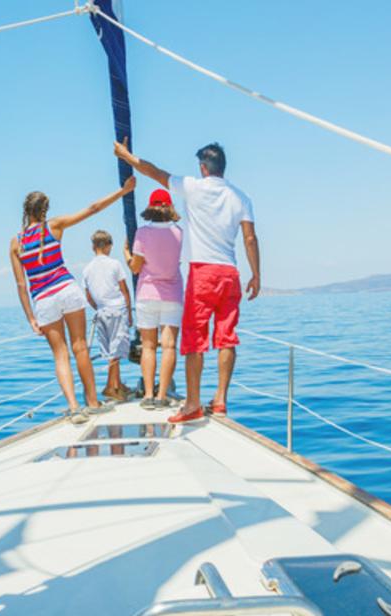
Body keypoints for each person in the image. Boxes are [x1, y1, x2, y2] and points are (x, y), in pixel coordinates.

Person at [114, 139, 260, 424]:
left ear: (203, 167)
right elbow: (250, 238)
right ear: (222, 167)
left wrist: (127, 157)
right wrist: (256, 274)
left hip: (202, 272)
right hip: (230, 272)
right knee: (227, 337)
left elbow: (154, 172)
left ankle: (192, 404)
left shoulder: (193, 186)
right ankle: (220, 400)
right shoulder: (241, 198)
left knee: (195, 339)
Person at [9, 177, 136, 424]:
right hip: (67, 290)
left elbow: (21, 285)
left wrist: (31, 318)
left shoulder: (16, 243)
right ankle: (93, 403)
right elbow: (93, 208)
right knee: (80, 347)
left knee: (61, 355)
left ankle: (74, 408)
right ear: (45, 210)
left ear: (26, 211)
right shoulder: (54, 226)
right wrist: (123, 191)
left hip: (43, 300)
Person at [123, 188, 184, 410]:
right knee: (169, 346)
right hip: (173, 295)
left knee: (148, 346)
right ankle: (161, 396)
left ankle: (148, 396)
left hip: (147, 294)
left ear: (150, 207)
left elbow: (136, 267)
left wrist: (127, 253)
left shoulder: (142, 233)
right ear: (170, 207)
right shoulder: (178, 232)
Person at [82, 229, 133, 404]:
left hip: (101, 312)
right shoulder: (115, 264)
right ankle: (110, 387)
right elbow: (125, 290)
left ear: (93, 247)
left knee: (111, 350)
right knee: (116, 351)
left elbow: (88, 296)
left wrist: (99, 308)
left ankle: (117, 384)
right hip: (117, 310)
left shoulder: (87, 269)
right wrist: (129, 313)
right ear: (108, 246)